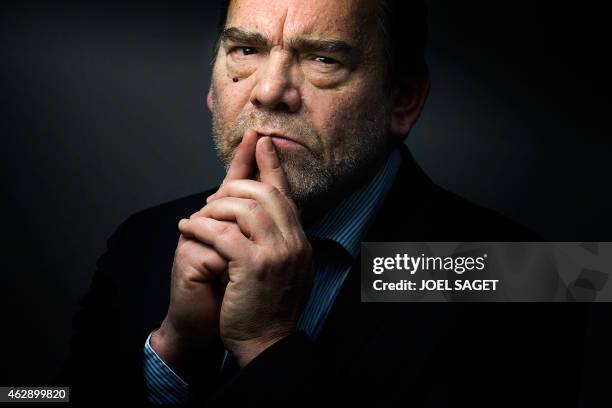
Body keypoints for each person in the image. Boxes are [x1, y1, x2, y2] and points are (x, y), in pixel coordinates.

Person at [59, 0, 587, 405]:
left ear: (403, 99)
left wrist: (268, 344)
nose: (269, 91)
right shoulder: (142, 241)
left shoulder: (528, 275)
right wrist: (177, 354)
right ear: (213, 87)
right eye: (245, 50)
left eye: (323, 58)